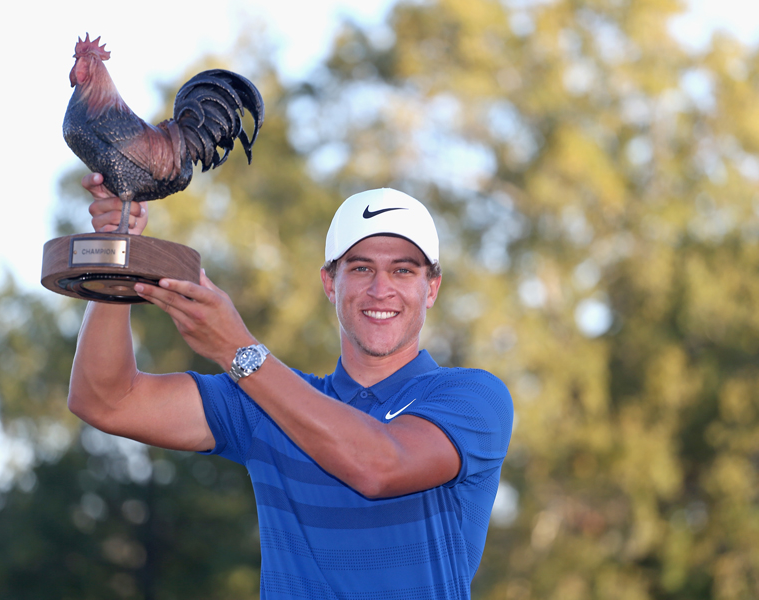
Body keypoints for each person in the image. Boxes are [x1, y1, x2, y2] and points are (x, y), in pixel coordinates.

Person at [69, 172, 514, 599]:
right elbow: (107, 400)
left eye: (403, 271)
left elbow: (380, 467)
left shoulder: (473, 396)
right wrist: (117, 256)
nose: (381, 289)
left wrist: (237, 350)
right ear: (330, 282)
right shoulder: (264, 401)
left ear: (431, 288)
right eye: (360, 269)